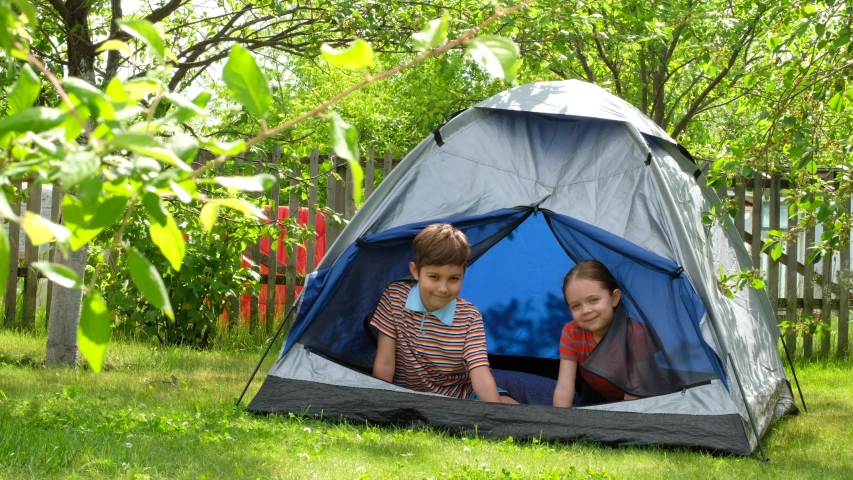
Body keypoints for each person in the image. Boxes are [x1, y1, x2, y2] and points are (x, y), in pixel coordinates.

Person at [371, 223, 516, 403]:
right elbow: (385, 363)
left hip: (460, 395)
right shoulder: (394, 298)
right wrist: (379, 403)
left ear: (464, 273)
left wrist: (496, 415)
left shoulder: (469, 316)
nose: (443, 288)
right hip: (406, 395)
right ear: (415, 271)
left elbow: (480, 374)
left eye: (454, 279)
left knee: (514, 411)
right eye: (434, 277)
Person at [553, 260, 654, 407]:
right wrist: (557, 425)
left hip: (641, 396)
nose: (586, 310)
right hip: (597, 392)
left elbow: (635, 390)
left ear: (614, 298)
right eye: (576, 306)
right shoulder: (571, 333)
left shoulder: (635, 333)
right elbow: (564, 388)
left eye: (593, 300)